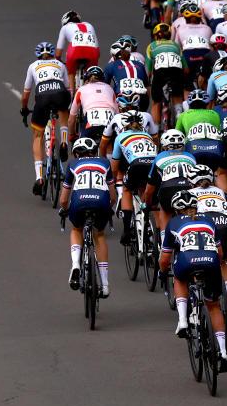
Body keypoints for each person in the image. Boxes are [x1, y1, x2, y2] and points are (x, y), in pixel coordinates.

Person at [159, 189, 227, 371]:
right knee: (213, 305)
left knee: (179, 278)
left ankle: (182, 319)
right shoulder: (208, 220)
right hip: (212, 261)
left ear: (176, 210)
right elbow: (221, 254)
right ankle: (222, 352)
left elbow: (165, 258)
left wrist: (162, 272)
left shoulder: (173, 222)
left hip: (188, 260)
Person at [57, 137, 115, 296]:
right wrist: (108, 209)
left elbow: (63, 199)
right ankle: (104, 284)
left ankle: (76, 264)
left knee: (76, 229)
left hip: (79, 201)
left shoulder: (73, 164)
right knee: (100, 234)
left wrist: (64, 209)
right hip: (101, 201)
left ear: (76, 154)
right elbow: (113, 196)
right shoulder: (104, 163)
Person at [102, 98, 158, 244]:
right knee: (147, 190)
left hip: (136, 165)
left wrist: (112, 182)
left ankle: (127, 230)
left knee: (127, 189)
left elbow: (114, 166)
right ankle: (150, 225)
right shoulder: (147, 136)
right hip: (154, 165)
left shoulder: (121, 136)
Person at [21, 42, 70, 194]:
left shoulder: (33, 66)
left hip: (42, 96)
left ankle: (39, 178)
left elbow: (26, 94)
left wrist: (24, 110)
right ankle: (63, 142)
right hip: (60, 92)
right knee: (63, 113)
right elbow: (69, 88)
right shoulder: (60, 64)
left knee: (37, 136)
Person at [189, 165, 227, 298]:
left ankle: (197, 297)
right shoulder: (219, 191)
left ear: (192, 182)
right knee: (223, 262)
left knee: (195, 262)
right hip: (225, 227)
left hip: (207, 228)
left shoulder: (190, 193)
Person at [142, 129, 197, 233]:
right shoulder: (191, 157)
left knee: (165, 210)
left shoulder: (160, 157)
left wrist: (148, 205)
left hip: (168, 190)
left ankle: (165, 241)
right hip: (189, 189)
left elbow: (149, 190)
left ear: (164, 146)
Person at [147, 22, 186, 126]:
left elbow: (149, 70)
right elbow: (185, 68)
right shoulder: (176, 45)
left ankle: (155, 127)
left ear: (155, 36)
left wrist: (149, 82)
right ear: (169, 35)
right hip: (176, 70)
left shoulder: (151, 46)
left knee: (156, 101)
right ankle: (178, 113)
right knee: (177, 94)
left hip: (160, 71)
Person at [69, 66, 118, 142]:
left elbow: (71, 119)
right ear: (102, 79)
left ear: (86, 80)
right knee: (110, 145)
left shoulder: (81, 89)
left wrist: (72, 134)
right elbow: (117, 113)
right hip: (110, 120)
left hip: (90, 121)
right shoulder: (109, 88)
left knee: (83, 148)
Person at [57, 10, 100, 92]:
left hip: (74, 52)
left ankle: (72, 97)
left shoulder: (65, 28)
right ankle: (91, 92)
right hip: (92, 52)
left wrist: (60, 61)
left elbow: (58, 54)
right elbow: (98, 50)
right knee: (92, 73)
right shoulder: (89, 25)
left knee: (71, 73)